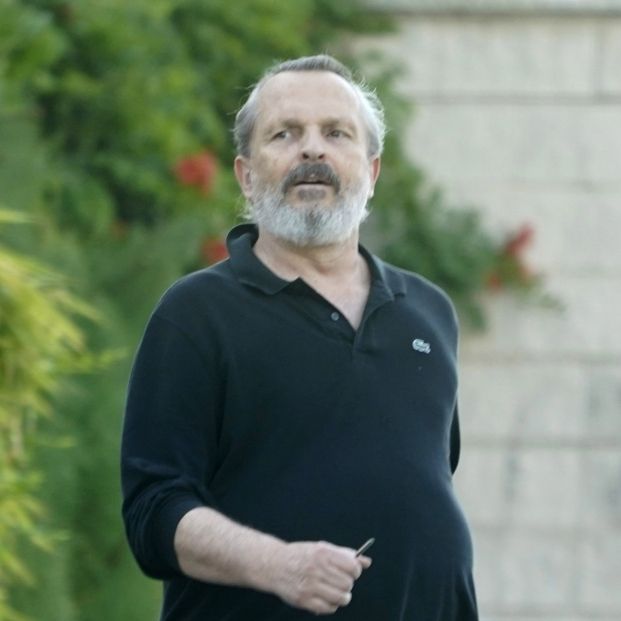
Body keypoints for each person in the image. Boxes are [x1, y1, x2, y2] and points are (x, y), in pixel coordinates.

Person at [121, 54, 479, 620]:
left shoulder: (428, 313)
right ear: (246, 174)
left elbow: (423, 487)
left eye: (336, 133)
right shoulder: (196, 314)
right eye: (284, 134)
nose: (312, 150)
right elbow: (153, 511)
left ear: (372, 171)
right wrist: (278, 565)